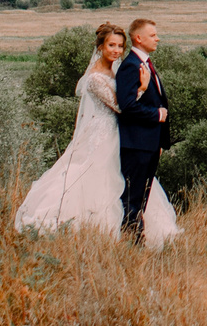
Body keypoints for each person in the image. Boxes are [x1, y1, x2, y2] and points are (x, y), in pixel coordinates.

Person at [14, 21, 179, 249]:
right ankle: (96, 232)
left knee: (126, 184)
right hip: (103, 133)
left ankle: (131, 234)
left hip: (120, 133)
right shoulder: (94, 78)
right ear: (100, 46)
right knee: (98, 180)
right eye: (111, 45)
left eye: (120, 46)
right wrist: (142, 89)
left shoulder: (117, 69)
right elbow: (121, 106)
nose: (116, 51)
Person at [113, 17, 173, 240]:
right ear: (138, 38)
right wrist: (156, 115)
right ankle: (130, 239)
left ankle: (136, 238)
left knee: (142, 196)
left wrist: (159, 142)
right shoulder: (130, 66)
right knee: (133, 196)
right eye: (152, 35)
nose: (157, 38)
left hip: (149, 144)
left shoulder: (145, 63)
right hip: (136, 144)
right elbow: (126, 106)